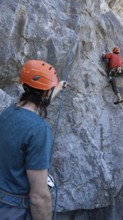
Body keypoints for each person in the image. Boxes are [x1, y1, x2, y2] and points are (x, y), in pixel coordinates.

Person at [0, 60, 67, 220]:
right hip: (15, 210)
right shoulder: (39, 130)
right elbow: (39, 197)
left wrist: (57, 88)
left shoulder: (9, 113)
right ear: (45, 93)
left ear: (25, 86)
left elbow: (34, 107)